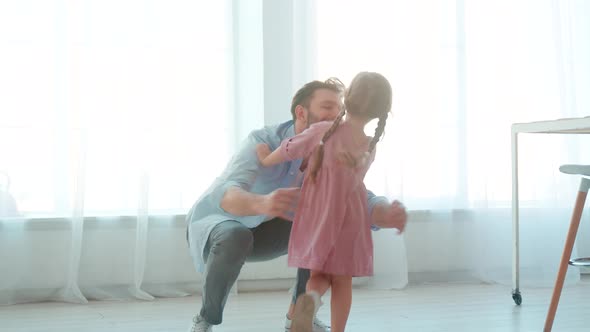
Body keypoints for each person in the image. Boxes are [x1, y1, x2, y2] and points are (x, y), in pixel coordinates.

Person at [185, 77, 408, 332]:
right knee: (239, 235)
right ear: (301, 112)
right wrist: (263, 202)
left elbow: (352, 192)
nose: (335, 114)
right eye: (327, 107)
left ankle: (298, 317)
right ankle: (206, 319)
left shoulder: (329, 141)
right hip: (223, 224)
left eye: (338, 107)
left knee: (316, 227)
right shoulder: (263, 139)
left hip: (272, 231)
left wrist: (382, 210)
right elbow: (226, 194)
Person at [256, 72, 403, 332]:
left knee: (318, 276)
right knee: (342, 281)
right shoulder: (369, 146)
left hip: (316, 217)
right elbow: (354, 179)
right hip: (351, 220)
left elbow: (290, 148)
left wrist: (267, 158)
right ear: (382, 112)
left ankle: (311, 299)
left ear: (347, 96)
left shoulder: (323, 131)